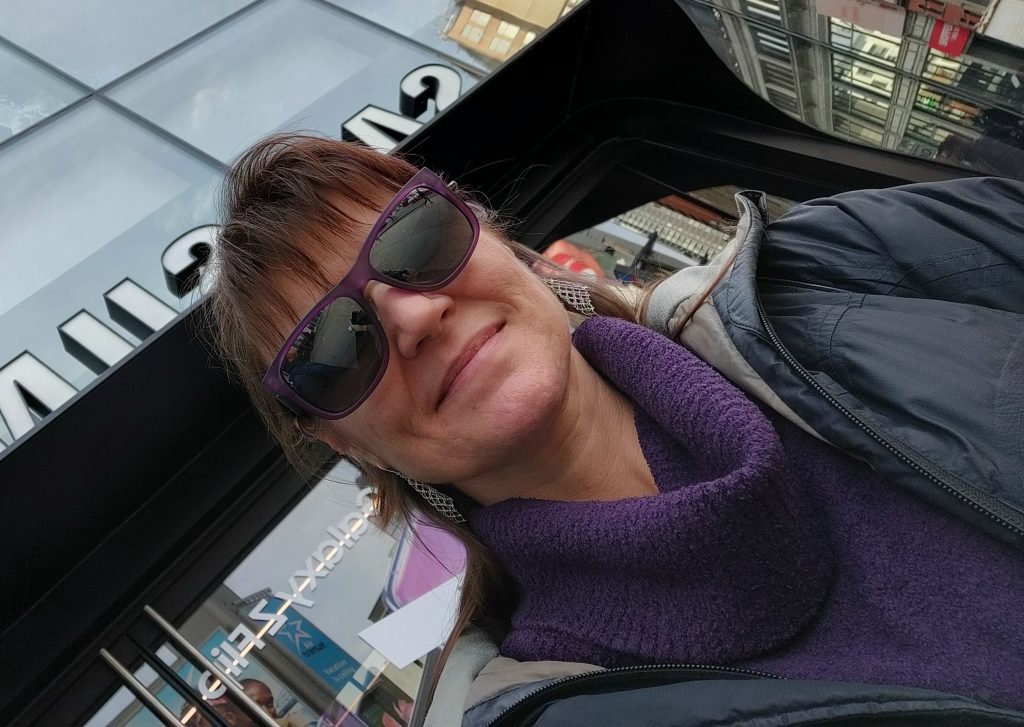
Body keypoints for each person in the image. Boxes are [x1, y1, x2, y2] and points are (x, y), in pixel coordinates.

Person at [206, 134, 1024, 725]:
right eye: (334, 351)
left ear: (494, 234)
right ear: (347, 443)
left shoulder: (810, 269)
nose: (416, 316)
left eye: (417, 238)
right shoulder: (557, 709)